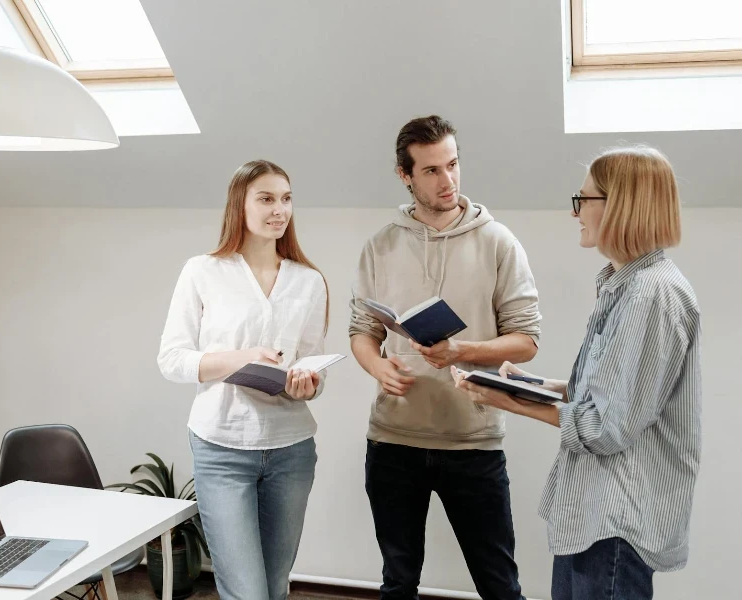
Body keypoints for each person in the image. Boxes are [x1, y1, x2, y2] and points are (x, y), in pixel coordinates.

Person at [452, 145, 702, 600]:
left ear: (620, 204)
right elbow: (609, 395)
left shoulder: (653, 296)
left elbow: (607, 427)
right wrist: (529, 385)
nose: (576, 213)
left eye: (583, 200)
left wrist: (504, 401)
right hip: (592, 514)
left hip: (615, 523)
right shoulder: (623, 284)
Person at [348, 115, 541, 600]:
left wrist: (463, 351)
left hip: (473, 444)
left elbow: (526, 340)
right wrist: (377, 366)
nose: (447, 180)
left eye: (452, 164)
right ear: (405, 175)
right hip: (392, 443)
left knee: (500, 586)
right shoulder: (380, 245)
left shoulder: (498, 241)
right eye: (432, 170)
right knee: (398, 584)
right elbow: (361, 332)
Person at [157, 159, 329, 600]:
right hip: (221, 448)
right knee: (246, 593)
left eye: (286, 199)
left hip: (292, 449)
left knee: (274, 587)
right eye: (267, 199)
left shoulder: (309, 281)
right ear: (240, 204)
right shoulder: (202, 271)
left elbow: (310, 365)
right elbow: (172, 359)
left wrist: (308, 382)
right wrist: (241, 359)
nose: (280, 210)